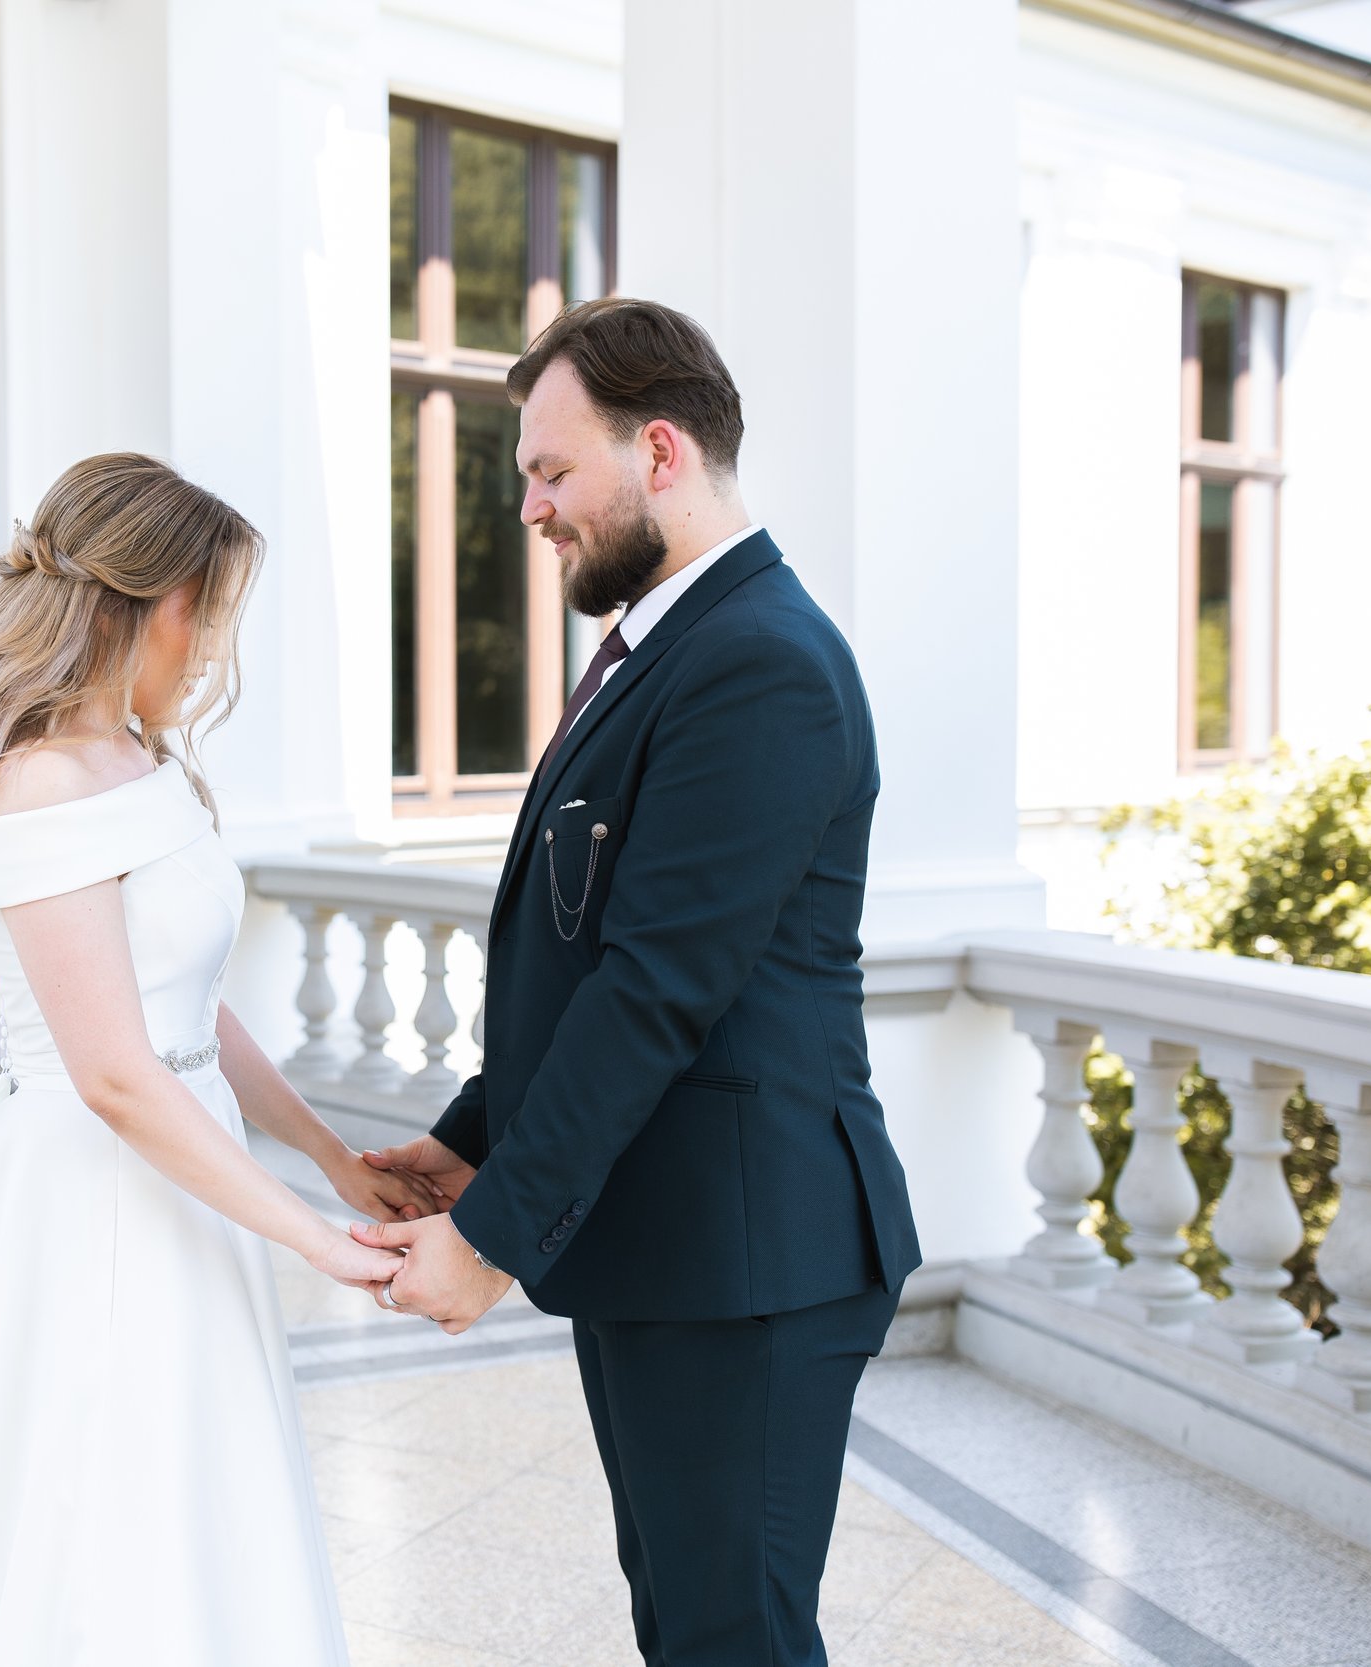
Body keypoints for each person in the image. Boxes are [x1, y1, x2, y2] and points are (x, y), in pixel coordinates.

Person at [359, 297, 924, 1667]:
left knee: (732, 1639)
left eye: (551, 472)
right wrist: (469, 1138)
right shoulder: (668, 647)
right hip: (669, 1239)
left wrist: (492, 1232)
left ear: (659, 452)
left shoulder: (762, 663)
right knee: (683, 1625)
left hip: (752, 1252)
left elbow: (661, 984)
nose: (532, 509)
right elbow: (593, 954)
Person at [0, 452, 429, 1667]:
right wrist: (307, 1233)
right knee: (98, 1493)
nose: (211, 649)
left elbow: (190, 1012)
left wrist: (329, 1155)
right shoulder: (37, 783)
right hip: (97, 1188)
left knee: (196, 1478)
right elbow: (115, 1074)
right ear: (148, 599)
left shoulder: (144, 763)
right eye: (210, 612)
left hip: (187, 1169)